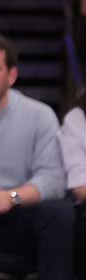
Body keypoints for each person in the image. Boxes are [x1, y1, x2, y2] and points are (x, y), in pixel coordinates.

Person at [0, 34, 74, 278]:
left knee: (60, 214)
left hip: (15, 212)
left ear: (12, 76)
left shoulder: (39, 115)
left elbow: (53, 179)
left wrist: (9, 197)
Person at [60, 88, 86, 276]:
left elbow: (46, 183)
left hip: (13, 198)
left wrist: (12, 197)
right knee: (59, 213)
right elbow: (80, 187)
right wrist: (13, 196)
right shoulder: (77, 120)